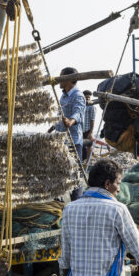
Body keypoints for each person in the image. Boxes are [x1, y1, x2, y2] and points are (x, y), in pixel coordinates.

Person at [48, 67, 86, 200]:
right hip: (60, 140)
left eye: (61, 77)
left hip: (73, 141)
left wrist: (71, 121)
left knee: (75, 175)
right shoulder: (64, 95)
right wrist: (53, 127)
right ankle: (57, 201)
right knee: (59, 172)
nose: (59, 79)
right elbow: (60, 115)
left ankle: (76, 202)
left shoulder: (78, 95)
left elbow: (78, 112)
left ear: (69, 79)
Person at [82, 90, 96, 162]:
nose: (87, 99)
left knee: (89, 144)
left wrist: (91, 132)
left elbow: (92, 119)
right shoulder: (81, 106)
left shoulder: (92, 107)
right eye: (86, 97)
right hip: (80, 130)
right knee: (81, 145)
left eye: (88, 98)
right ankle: (82, 160)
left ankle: (87, 161)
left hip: (87, 130)